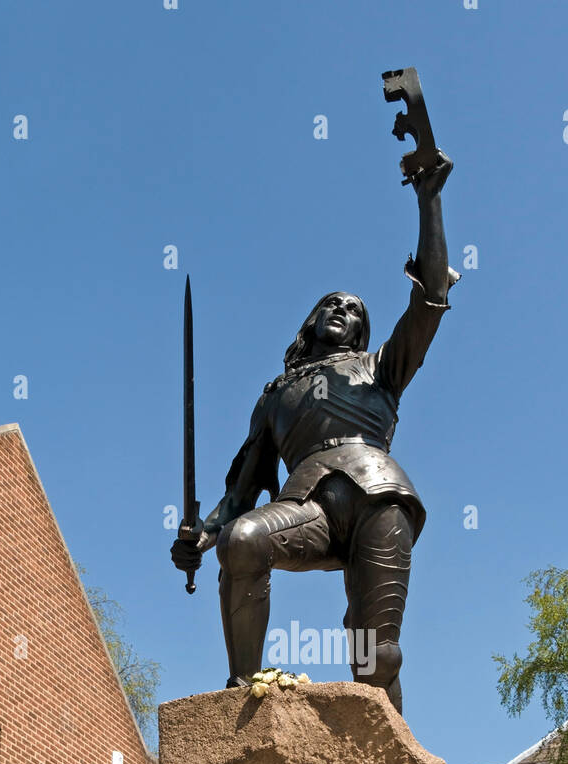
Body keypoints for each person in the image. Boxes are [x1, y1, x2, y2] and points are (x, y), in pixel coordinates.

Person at [171, 150, 458, 714]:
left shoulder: (381, 368)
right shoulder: (275, 396)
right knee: (244, 540)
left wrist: (429, 201)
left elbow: (429, 301)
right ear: (310, 322)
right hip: (311, 507)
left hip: (380, 498)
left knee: (376, 656)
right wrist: (200, 541)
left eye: (352, 310)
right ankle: (244, 702)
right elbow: (239, 495)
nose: (340, 310)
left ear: (360, 332)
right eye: (330, 304)